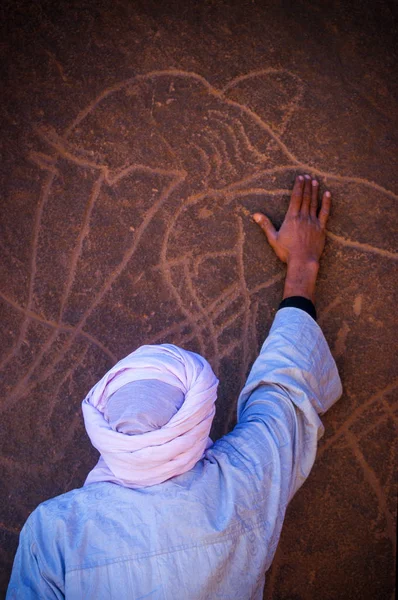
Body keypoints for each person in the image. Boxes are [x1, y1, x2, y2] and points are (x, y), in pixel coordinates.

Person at [7, 174, 342, 599]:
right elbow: (285, 391)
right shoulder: (243, 484)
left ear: (105, 427)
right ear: (198, 419)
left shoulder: (53, 534)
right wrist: (302, 266)